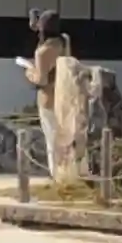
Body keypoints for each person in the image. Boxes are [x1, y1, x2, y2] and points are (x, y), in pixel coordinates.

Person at [25, 10, 71, 176]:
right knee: (66, 137)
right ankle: (68, 172)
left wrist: (29, 72)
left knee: (52, 139)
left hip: (48, 98)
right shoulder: (64, 41)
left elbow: (41, 80)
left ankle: (56, 175)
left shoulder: (42, 52)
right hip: (65, 94)